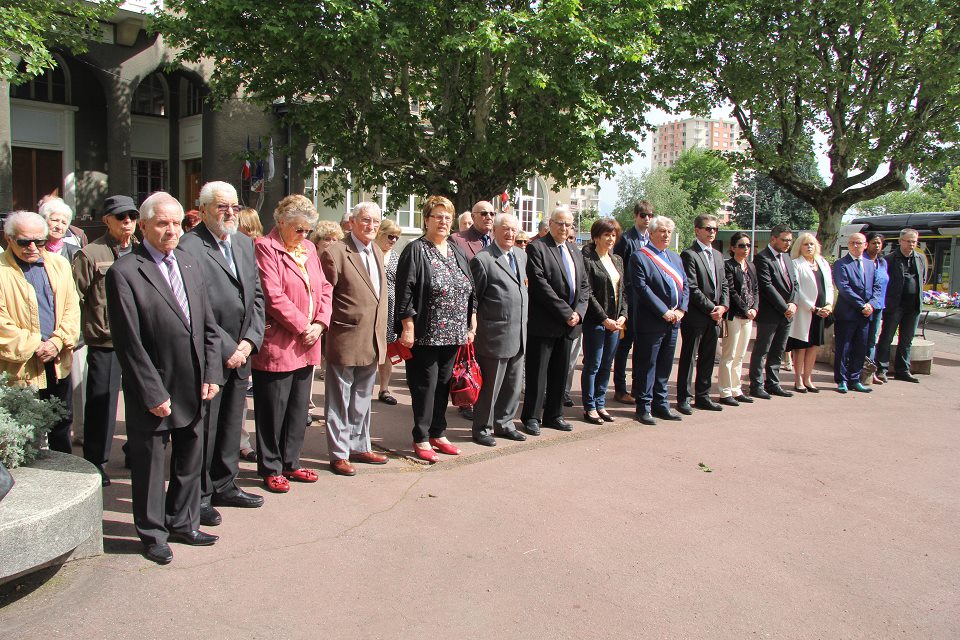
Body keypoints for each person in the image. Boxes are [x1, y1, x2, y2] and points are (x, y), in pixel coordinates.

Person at [106, 192, 223, 565]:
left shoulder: (189, 263)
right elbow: (129, 342)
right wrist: (152, 391)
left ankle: (183, 521)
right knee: (152, 464)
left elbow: (207, 326)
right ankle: (153, 532)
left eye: (176, 222)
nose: (171, 229)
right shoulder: (125, 272)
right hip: (154, 388)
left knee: (190, 456)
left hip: (195, 383)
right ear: (143, 226)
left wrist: (213, 373)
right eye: (162, 223)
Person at [178, 181, 266, 526]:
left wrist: (249, 342)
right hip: (211, 354)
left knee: (231, 424)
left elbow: (256, 296)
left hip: (242, 350)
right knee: (207, 428)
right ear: (202, 210)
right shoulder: (190, 246)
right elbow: (195, 307)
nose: (230, 212)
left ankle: (225, 484)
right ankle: (199, 495)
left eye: (234, 206)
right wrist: (230, 347)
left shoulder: (244, 243)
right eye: (221, 207)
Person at [251, 195, 332, 493]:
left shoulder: (309, 248)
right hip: (280, 342)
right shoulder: (265, 247)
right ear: (281, 222)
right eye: (299, 229)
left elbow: (324, 288)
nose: (304, 235)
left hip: (308, 340)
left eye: (308, 230)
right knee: (273, 408)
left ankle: (291, 461)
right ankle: (270, 466)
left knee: (298, 408)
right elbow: (272, 295)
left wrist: (320, 323)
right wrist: (303, 326)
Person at [396, 195, 475, 462]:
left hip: (453, 332)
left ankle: (438, 433)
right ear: (426, 219)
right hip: (425, 333)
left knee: (443, 384)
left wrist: (470, 320)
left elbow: (469, 287)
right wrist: (407, 326)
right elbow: (405, 290)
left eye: (447, 217)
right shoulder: (416, 249)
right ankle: (420, 436)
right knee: (424, 386)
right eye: (437, 216)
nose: (443, 222)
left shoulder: (456, 250)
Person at [319, 202, 390, 476]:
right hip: (345, 336)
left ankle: (359, 446)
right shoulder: (335, 252)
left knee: (362, 397)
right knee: (339, 398)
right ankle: (339, 453)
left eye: (375, 221)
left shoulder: (376, 251)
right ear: (351, 222)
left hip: (372, 337)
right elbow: (326, 296)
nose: (371, 226)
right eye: (365, 220)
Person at [0, 211, 80, 453]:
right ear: (9, 238)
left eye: (40, 241)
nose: (33, 247)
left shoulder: (60, 264)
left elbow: (72, 308)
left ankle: (65, 478)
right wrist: (35, 344)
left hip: (56, 360)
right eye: (25, 242)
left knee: (61, 425)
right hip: (22, 367)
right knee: (24, 430)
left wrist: (57, 342)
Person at [74, 195, 140, 485]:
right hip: (105, 341)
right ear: (107, 220)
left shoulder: (142, 251)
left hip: (140, 341)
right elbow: (74, 297)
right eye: (121, 217)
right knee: (102, 404)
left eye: (132, 217)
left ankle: (134, 451)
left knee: (141, 400)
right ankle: (96, 462)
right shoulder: (90, 253)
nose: (128, 222)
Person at [520, 204, 590, 435]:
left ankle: (554, 414)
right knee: (538, 373)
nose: (564, 228)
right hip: (545, 323)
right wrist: (565, 312)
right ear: (550, 224)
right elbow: (540, 285)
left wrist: (578, 312)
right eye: (559, 223)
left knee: (561, 373)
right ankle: (531, 416)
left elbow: (584, 286)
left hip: (569, 325)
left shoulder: (574, 250)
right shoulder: (537, 248)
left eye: (568, 224)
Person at [469, 212, 529, 446]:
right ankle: (482, 428)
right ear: (494, 230)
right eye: (505, 228)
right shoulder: (483, 260)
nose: (510, 233)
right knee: (490, 388)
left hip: (519, 333)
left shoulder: (522, 256)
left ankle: (504, 424)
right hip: (494, 336)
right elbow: (474, 300)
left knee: (513, 386)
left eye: (514, 229)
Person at [630, 216, 688, 425]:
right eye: (662, 231)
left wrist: (682, 309)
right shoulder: (640, 257)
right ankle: (644, 406)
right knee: (648, 365)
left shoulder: (675, 258)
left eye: (669, 232)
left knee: (665, 365)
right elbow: (642, 288)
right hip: (651, 321)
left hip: (674, 321)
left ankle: (661, 404)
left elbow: (685, 284)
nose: (666, 235)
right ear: (652, 233)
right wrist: (664, 311)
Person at [38, 198, 83, 450]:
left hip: (63, 342)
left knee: (62, 408)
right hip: (32, 347)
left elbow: (73, 303)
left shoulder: (70, 254)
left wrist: (60, 339)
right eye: (54, 219)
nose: (59, 225)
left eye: (64, 221)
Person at [677, 214, 728, 414]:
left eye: (715, 229)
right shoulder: (689, 254)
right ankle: (684, 398)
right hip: (697, 316)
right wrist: (711, 308)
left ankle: (703, 396)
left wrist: (723, 306)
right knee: (689, 357)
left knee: (708, 357)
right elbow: (691, 286)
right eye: (708, 228)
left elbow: (724, 284)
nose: (712, 232)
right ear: (697, 230)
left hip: (715, 317)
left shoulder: (717, 255)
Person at [449, 200, 496, 421]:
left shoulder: (497, 239)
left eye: (492, 213)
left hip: (495, 312)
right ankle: (466, 400)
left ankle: (485, 400)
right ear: (474, 216)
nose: (488, 217)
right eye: (484, 213)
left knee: (489, 361)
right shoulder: (458, 240)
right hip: (470, 311)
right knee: (468, 359)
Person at [580, 218, 627, 424]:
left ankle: (600, 403)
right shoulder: (587, 260)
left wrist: (623, 315)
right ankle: (589, 406)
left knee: (607, 364)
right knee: (593, 364)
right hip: (596, 321)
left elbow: (623, 291)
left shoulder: (617, 260)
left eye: (613, 235)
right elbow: (587, 293)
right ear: (596, 237)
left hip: (616, 323)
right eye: (606, 234)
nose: (610, 238)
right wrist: (604, 318)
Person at [749, 224, 799, 399]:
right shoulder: (762, 258)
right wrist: (785, 307)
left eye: (790, 241)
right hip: (770, 313)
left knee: (778, 350)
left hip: (787, 314)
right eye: (784, 240)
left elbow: (794, 283)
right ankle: (756, 385)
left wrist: (793, 303)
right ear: (773, 239)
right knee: (762, 350)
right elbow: (767, 286)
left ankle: (773, 383)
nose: (787, 244)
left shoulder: (786, 258)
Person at [612, 200, 654, 404]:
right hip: (630, 301)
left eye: (650, 215)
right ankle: (620, 388)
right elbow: (619, 269)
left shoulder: (652, 240)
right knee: (624, 346)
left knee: (642, 345)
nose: (647, 219)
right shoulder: (626, 239)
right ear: (636, 216)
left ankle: (639, 387)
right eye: (643, 215)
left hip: (647, 303)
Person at [785, 233, 834, 393]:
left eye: (812, 244)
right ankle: (798, 379)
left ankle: (808, 378)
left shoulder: (823, 263)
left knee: (813, 346)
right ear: (800, 246)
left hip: (821, 311)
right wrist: (812, 307)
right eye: (805, 244)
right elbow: (796, 288)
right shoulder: (796, 264)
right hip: (805, 311)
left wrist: (829, 304)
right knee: (801, 346)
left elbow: (829, 286)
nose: (809, 247)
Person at [833, 233, 881, 393]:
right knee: (844, 348)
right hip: (847, 314)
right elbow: (844, 288)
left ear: (865, 245)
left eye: (859, 243)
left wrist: (871, 305)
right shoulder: (841, 264)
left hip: (865, 315)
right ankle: (842, 380)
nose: (855, 246)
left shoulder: (869, 264)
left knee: (861, 347)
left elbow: (877, 287)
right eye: (852, 243)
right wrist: (862, 306)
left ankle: (855, 379)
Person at [876, 228, 925, 384]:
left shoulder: (920, 258)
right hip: (895, 305)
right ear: (900, 241)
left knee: (907, 339)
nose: (911, 244)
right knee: (887, 337)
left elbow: (921, 279)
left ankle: (903, 370)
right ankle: (881, 369)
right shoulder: (889, 259)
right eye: (908, 241)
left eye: (914, 241)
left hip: (913, 306)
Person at [717, 232, 758, 406]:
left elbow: (755, 289)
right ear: (733, 248)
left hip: (748, 316)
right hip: (733, 315)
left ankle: (736, 389)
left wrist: (754, 308)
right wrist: (745, 309)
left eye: (748, 245)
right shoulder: (728, 266)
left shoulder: (751, 266)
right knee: (729, 354)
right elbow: (731, 291)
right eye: (741, 245)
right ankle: (725, 391)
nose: (746, 249)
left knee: (740, 355)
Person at [236, 206, 262, 462]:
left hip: (253, 335)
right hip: (230, 335)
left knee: (243, 393)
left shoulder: (258, 251)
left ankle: (242, 441)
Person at [374, 217, 401, 405]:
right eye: (390, 236)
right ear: (380, 234)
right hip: (370, 308)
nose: (393, 241)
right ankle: (363, 387)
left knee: (387, 351)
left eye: (397, 238)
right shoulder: (368, 253)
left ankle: (384, 389)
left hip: (390, 310)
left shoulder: (397, 258)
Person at [864, 231, 889, 384]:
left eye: (879, 243)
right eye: (874, 242)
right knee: (861, 339)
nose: (877, 245)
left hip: (878, 306)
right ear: (867, 244)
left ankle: (870, 372)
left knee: (872, 339)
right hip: (864, 307)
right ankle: (856, 370)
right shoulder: (862, 260)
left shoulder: (882, 262)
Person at [38, 198, 81, 262]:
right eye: (55, 220)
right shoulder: (34, 250)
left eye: (64, 223)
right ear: (44, 221)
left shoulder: (75, 252)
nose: (59, 227)